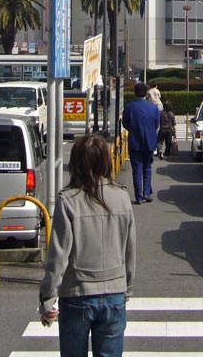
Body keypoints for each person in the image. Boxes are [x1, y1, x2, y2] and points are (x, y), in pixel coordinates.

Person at [39, 134, 136, 357]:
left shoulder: (69, 199)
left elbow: (58, 255)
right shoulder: (121, 197)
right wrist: (126, 288)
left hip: (76, 293)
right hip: (114, 291)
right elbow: (130, 250)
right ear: (105, 161)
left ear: (76, 163)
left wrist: (48, 298)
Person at [121, 82, 160, 204]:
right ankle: (147, 193)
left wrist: (133, 130)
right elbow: (156, 124)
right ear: (146, 93)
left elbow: (125, 124)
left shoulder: (129, 107)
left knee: (136, 169)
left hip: (135, 142)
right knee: (147, 168)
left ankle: (139, 196)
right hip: (149, 141)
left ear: (135, 93)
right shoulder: (153, 108)